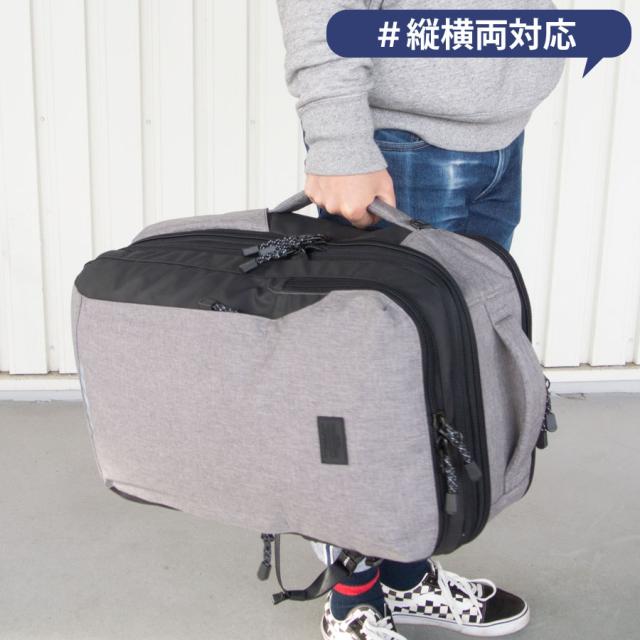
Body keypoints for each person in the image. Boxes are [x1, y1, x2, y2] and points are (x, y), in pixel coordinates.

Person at [277, 2, 564, 639]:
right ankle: (352, 599)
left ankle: (405, 576)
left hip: (496, 140)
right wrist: (338, 142)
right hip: (401, 146)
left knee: (451, 380)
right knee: (378, 391)